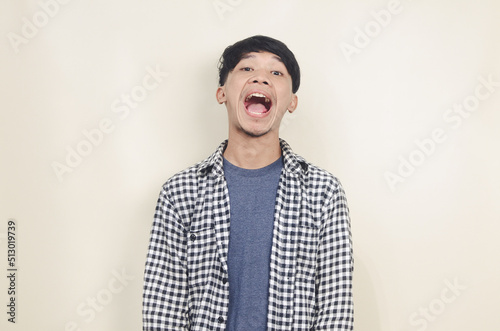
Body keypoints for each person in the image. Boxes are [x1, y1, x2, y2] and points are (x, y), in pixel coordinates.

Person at [143, 35, 354, 330]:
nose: (261, 78)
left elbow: (336, 310)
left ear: (292, 101)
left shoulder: (323, 193)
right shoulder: (180, 193)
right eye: (246, 69)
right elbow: (163, 311)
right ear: (222, 93)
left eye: (276, 72)